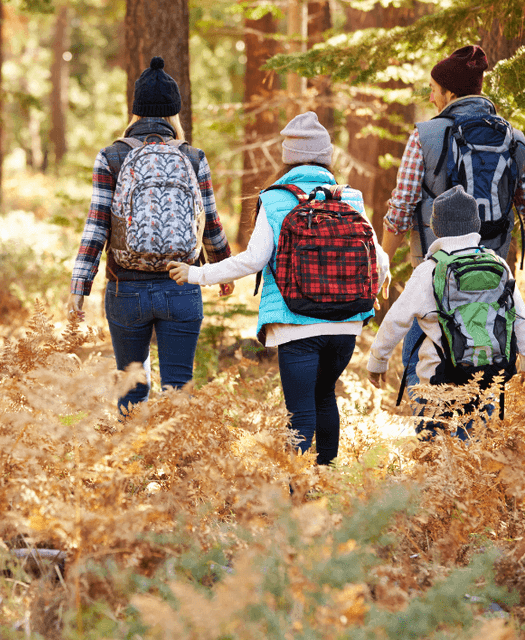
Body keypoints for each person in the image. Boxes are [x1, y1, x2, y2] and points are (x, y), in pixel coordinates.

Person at [169, 111, 390, 466]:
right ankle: (327, 479)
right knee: (325, 396)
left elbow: (253, 260)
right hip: (346, 325)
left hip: (295, 322)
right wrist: (371, 293)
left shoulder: (275, 199)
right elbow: (378, 259)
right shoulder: (350, 198)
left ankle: (298, 490)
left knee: (300, 413)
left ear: (288, 156)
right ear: (326, 156)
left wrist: (197, 274)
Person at [381, 44, 525, 395]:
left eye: (433, 89)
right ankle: (475, 429)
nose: (431, 97)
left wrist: (383, 264)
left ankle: (433, 428)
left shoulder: (424, 137)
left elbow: (400, 210)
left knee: (425, 373)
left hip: (435, 282)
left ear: (450, 93)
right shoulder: (515, 141)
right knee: (485, 375)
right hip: (493, 283)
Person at [67, 56, 234, 414]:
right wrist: (223, 270)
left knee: (131, 387)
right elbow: (210, 222)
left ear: (136, 110)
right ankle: (173, 451)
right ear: (174, 113)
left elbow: (96, 228)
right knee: (178, 389)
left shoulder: (112, 156)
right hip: (181, 283)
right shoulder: (193, 157)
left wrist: (79, 288)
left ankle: (133, 449)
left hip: (125, 287)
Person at [367, 186, 525, 439]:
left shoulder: (428, 270)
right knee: (473, 444)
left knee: (436, 446)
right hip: (487, 378)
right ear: (476, 225)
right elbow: (520, 319)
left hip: (438, 381)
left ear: (435, 228)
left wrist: (378, 361)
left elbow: (396, 321)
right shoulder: (498, 264)